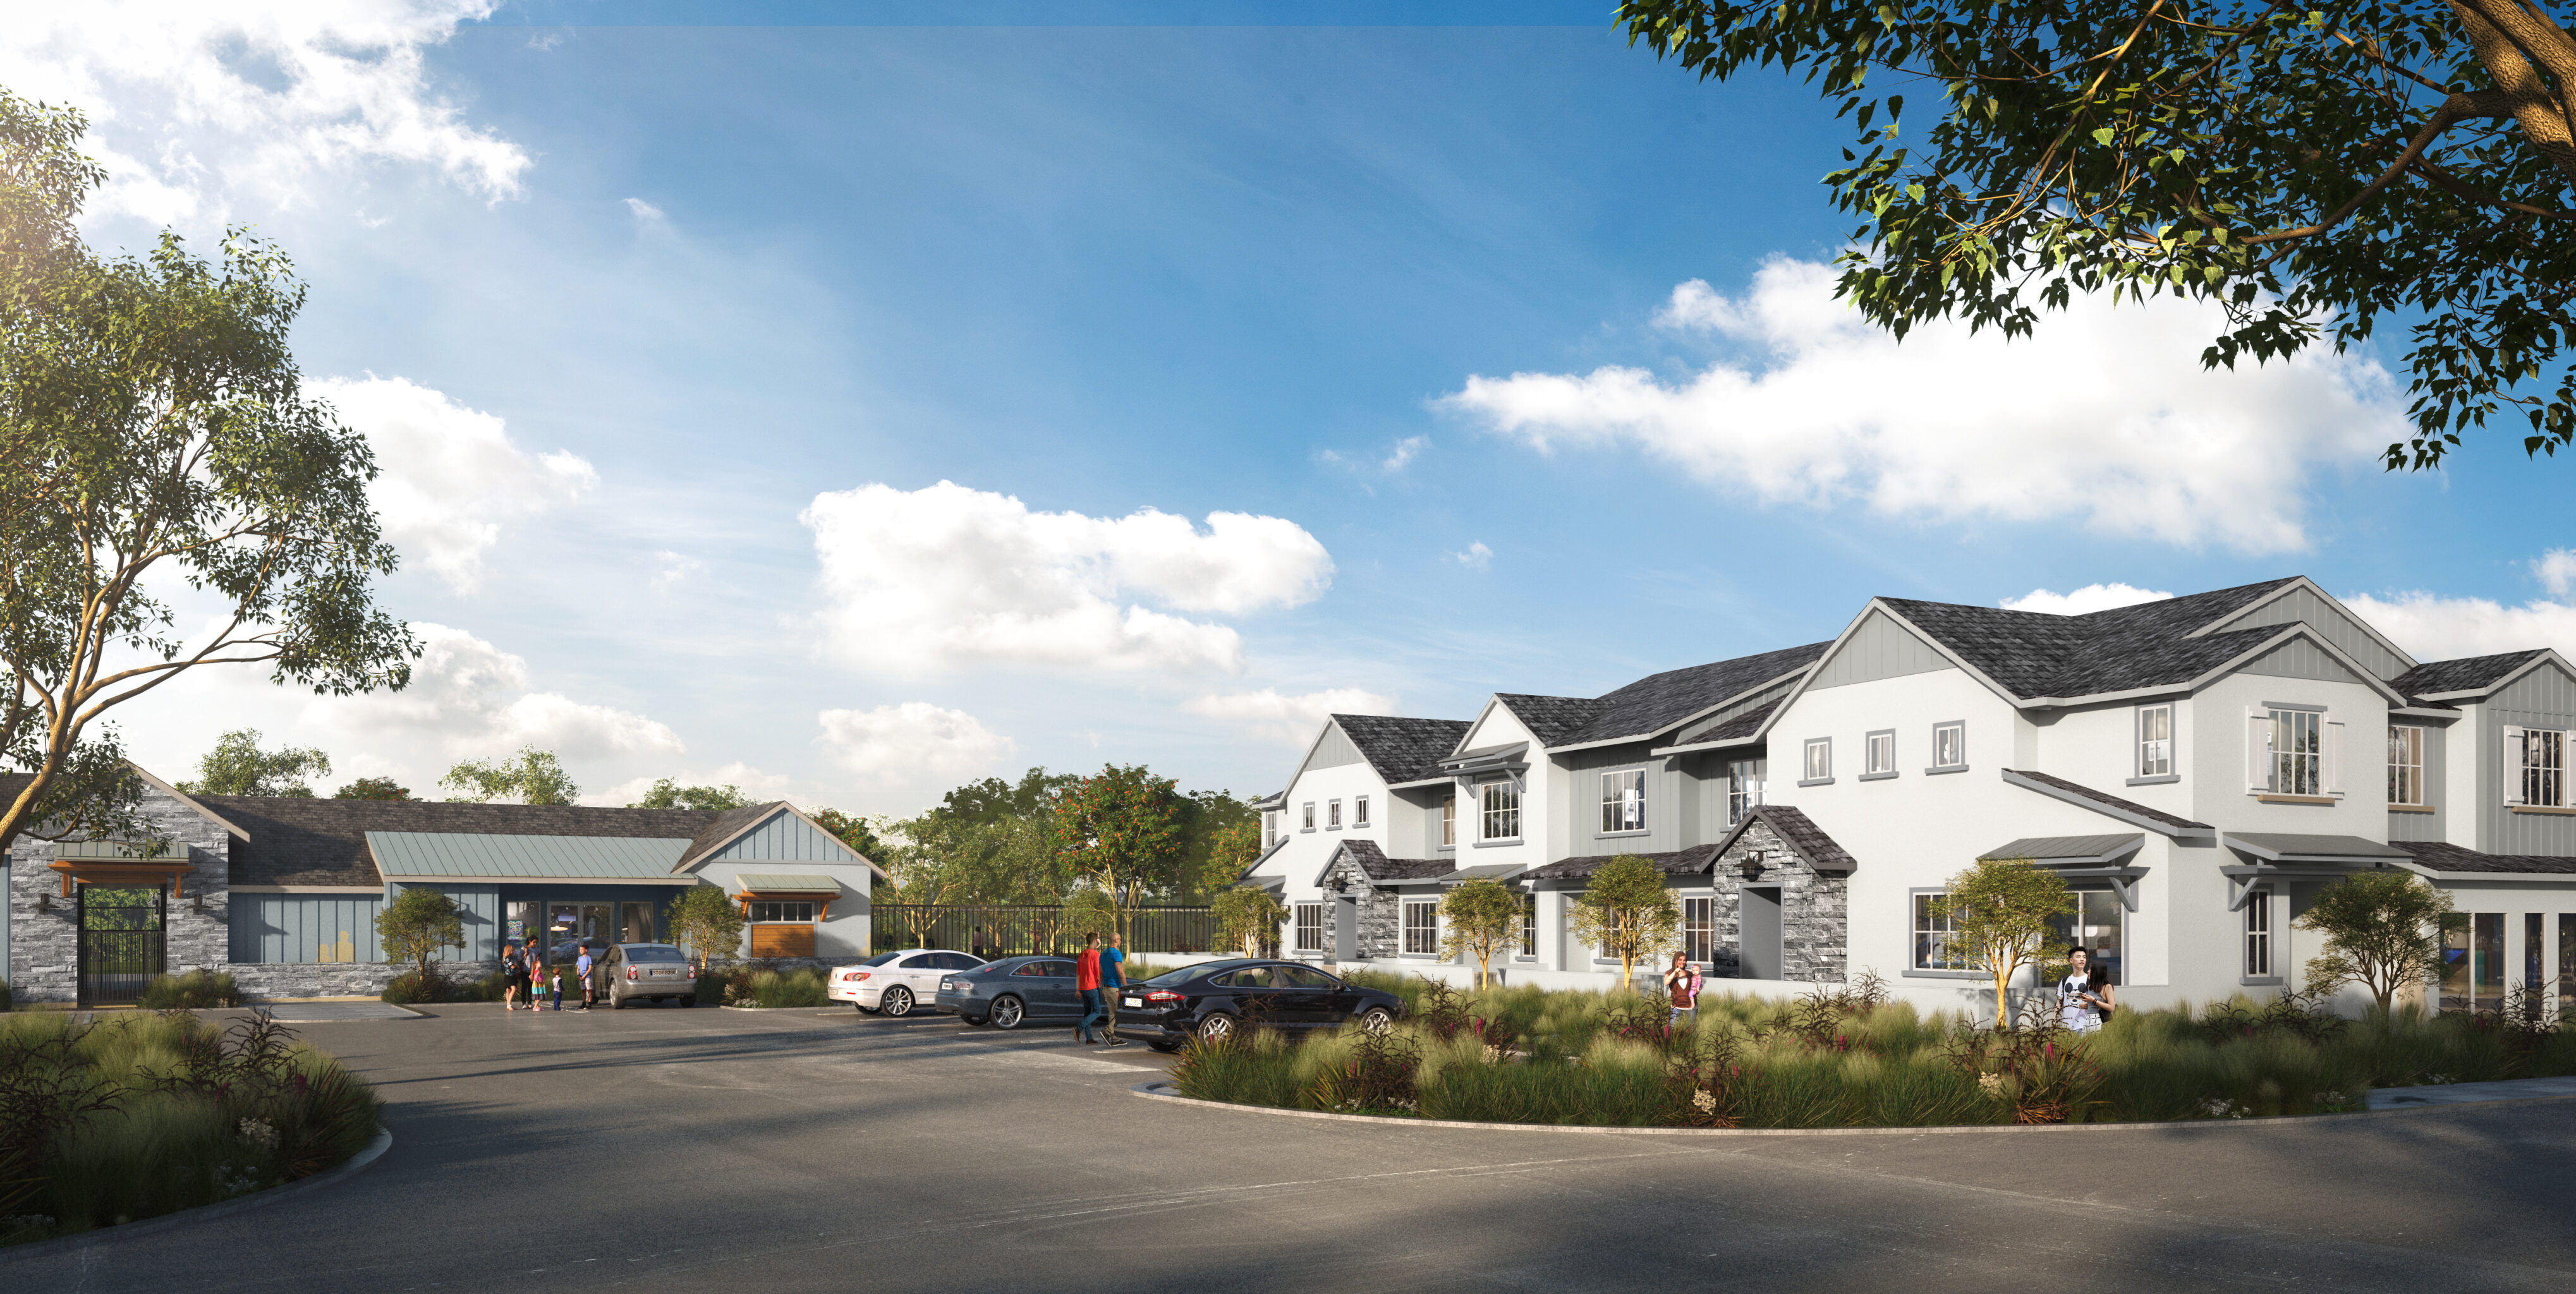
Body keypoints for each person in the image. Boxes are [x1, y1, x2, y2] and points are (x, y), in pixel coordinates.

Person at [2058, 946, 2104, 1032]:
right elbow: (2059, 1002)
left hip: (2084, 1025)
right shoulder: (2064, 981)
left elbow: (2100, 1001)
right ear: (2071, 960)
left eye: (2084, 957)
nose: (2082, 959)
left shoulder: (2090, 980)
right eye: (2078, 957)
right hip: (2067, 1027)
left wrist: (2090, 1005)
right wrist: (2053, 1021)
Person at [1074, 932, 1105, 1044]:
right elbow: (1099, 973)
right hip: (1092, 987)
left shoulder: (1082, 954)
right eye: (1097, 941)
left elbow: (1078, 973)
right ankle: (1079, 1028)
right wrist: (1103, 987)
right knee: (1097, 1011)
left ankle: (1089, 1038)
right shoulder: (1096, 955)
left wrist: (1077, 989)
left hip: (1082, 987)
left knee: (1087, 1013)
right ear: (1094, 941)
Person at [1099, 931, 1129, 1048]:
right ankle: (1107, 1032)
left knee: (1113, 1013)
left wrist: (1102, 986)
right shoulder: (1116, 954)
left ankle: (1115, 1039)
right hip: (1114, 988)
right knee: (1120, 1013)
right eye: (1120, 939)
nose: (1121, 941)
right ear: (1116, 940)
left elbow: (1101, 973)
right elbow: (1120, 972)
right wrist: (1126, 987)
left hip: (1106, 988)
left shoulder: (1103, 954)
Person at [1663, 951, 1702, 1028]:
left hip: (1691, 1006)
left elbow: (1698, 986)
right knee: (1672, 1028)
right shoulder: (1669, 973)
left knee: (1691, 1029)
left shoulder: (1689, 973)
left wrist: (1697, 990)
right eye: (1680, 960)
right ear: (1675, 960)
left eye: (1684, 960)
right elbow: (1666, 982)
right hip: (1676, 1006)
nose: (1683, 962)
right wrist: (1675, 972)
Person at [2087, 960, 2117, 1026]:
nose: (2088, 971)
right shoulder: (2090, 987)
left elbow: (2112, 1007)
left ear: (2097, 971)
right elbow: (2093, 1006)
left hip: (2100, 1021)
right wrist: (2085, 1005)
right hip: (2088, 1020)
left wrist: (2094, 1001)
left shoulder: (2107, 987)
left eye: (2090, 969)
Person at [502, 941, 527, 1012]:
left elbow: (516, 965)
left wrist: (516, 965)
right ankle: (509, 1005)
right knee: (513, 989)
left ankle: (509, 1005)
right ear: (508, 951)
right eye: (512, 950)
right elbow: (512, 967)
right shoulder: (507, 959)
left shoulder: (511, 958)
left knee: (509, 990)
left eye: (514, 950)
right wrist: (516, 965)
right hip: (509, 976)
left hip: (512, 976)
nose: (514, 952)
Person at [574, 943, 597, 1012]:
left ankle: (589, 1003)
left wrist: (584, 976)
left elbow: (590, 968)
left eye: (582, 950)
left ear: (586, 950)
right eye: (580, 950)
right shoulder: (579, 958)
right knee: (583, 990)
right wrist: (578, 975)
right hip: (581, 977)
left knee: (589, 990)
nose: (580, 951)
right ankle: (583, 1003)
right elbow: (578, 968)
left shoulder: (588, 958)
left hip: (587, 977)